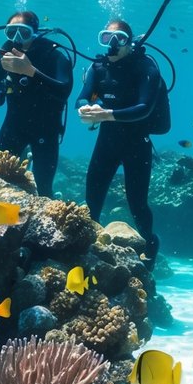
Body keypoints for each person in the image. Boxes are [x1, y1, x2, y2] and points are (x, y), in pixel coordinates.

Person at [77, 19, 163, 264]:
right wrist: (86, 109)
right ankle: (88, 247)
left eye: (119, 39)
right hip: (107, 143)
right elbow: (81, 98)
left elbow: (144, 108)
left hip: (138, 144)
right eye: (106, 38)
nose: (112, 45)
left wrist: (107, 115)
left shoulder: (145, 68)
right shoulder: (98, 67)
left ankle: (150, 243)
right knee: (92, 197)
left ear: (130, 43)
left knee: (137, 203)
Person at [0, 11, 72, 197]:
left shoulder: (54, 55)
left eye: (23, 33)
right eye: (11, 33)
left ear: (35, 32)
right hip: (14, 126)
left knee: (43, 189)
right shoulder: (6, 51)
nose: (16, 39)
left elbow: (64, 90)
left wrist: (30, 71)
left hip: (46, 129)